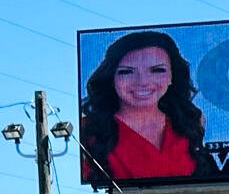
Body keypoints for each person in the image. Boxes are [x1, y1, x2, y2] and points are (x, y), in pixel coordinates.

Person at [80, 30, 204, 182]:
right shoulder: (88, 129)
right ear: (111, 79)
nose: (143, 82)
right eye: (126, 72)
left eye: (157, 70)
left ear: (172, 76)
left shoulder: (190, 122)